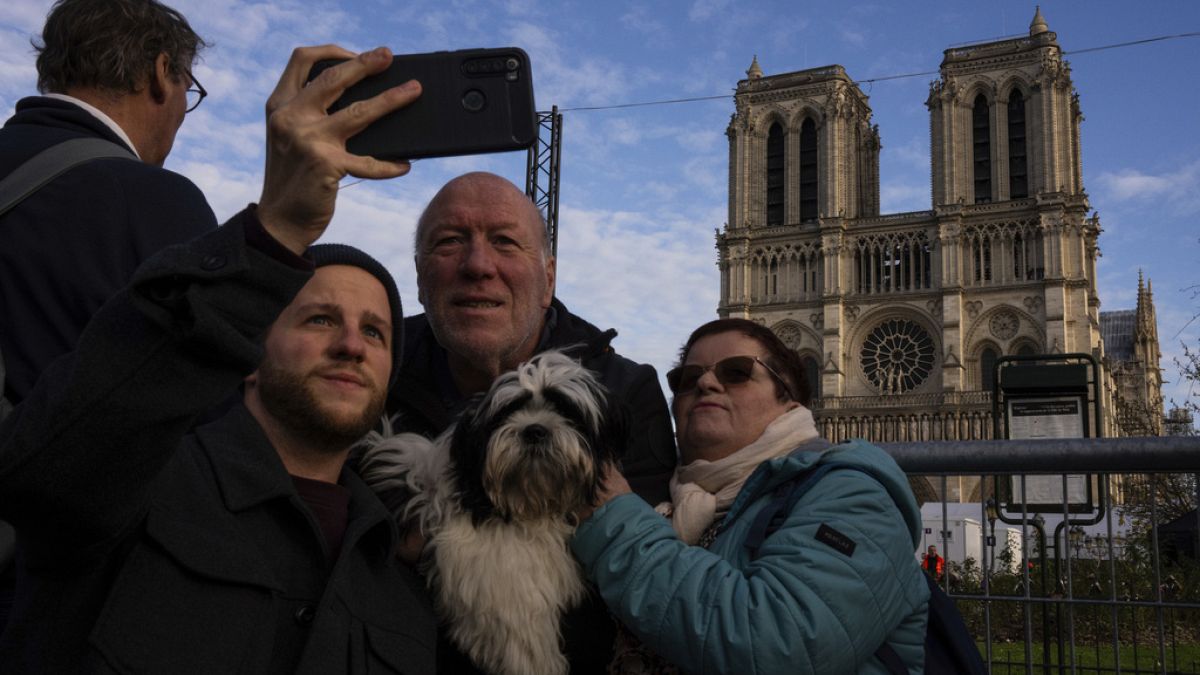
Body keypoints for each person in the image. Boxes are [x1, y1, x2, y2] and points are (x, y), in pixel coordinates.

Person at [0, 45, 435, 673]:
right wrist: (275, 231)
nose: (350, 344)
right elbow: (47, 471)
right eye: (319, 318)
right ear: (247, 350)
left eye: (376, 333)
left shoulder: (408, 568)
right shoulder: (134, 489)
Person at [386, 171, 677, 672]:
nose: (479, 265)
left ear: (549, 279)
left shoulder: (626, 390)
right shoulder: (372, 364)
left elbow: (635, 567)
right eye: (450, 242)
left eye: (504, 242)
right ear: (417, 276)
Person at [0, 0, 217, 630]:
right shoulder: (155, 203)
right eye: (187, 89)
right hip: (46, 596)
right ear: (158, 74)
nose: (182, 113)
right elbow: (211, 412)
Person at [573, 318, 930, 674]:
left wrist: (616, 521)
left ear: (790, 401)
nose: (705, 382)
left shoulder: (855, 498)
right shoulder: (660, 499)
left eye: (736, 372)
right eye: (686, 378)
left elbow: (780, 646)